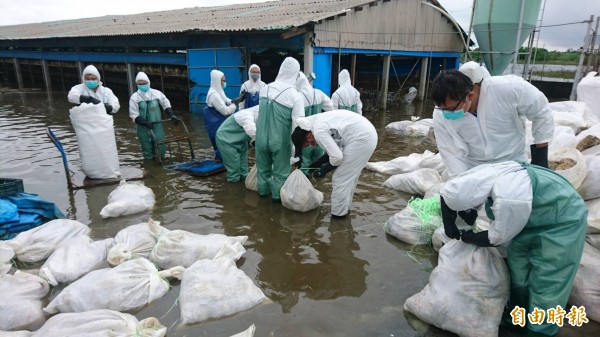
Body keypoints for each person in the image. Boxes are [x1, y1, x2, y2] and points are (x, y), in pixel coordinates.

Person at [439, 161, 587, 337]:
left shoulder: (509, 197)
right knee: (518, 268)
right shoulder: (479, 177)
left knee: (548, 280)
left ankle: (539, 331)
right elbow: (447, 195)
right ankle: (518, 319)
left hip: (562, 221)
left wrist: (467, 237)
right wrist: (449, 223)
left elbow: (496, 237)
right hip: (528, 221)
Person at [431, 62, 554, 179]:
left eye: (452, 109)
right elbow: (450, 153)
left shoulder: (509, 89)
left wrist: (540, 157)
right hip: (475, 168)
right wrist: (461, 182)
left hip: (513, 163)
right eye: (443, 109)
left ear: (469, 96)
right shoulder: (440, 114)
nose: (447, 114)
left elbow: (541, 111)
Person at [291, 110, 378, 217]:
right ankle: (345, 209)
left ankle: (338, 216)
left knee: (340, 177)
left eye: (307, 144)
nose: (311, 145)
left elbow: (337, 158)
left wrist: (325, 169)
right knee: (349, 178)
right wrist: (316, 164)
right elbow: (334, 151)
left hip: (362, 139)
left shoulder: (318, 131)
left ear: (308, 137)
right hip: (366, 135)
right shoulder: (317, 123)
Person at [255, 57, 304, 201]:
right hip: (280, 141)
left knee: (262, 171)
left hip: (260, 138)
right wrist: (297, 149)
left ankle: (262, 201)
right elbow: (298, 125)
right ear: (296, 73)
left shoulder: (264, 89)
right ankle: (276, 205)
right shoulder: (295, 95)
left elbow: (259, 115)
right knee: (280, 174)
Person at [128, 72, 178, 160]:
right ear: (137, 84)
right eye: (140, 84)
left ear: (148, 82)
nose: (142, 85)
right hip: (143, 129)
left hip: (157, 126)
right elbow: (134, 115)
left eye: (144, 83)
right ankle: (150, 169)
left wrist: (171, 115)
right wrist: (145, 123)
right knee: (147, 152)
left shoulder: (156, 93)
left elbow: (165, 104)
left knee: (161, 148)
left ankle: (160, 169)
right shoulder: (134, 97)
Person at [295, 72, 334, 173]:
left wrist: (297, 149)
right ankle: (317, 182)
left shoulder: (298, 96)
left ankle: (304, 183)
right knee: (318, 162)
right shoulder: (319, 93)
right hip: (319, 136)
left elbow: (295, 122)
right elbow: (330, 108)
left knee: (304, 163)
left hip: (306, 139)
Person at [204, 69, 245, 161]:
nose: (225, 82)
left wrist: (236, 100)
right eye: (223, 80)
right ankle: (220, 160)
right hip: (215, 122)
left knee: (223, 140)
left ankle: (222, 158)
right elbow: (225, 111)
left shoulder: (218, 90)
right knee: (219, 141)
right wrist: (236, 104)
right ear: (217, 80)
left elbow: (226, 100)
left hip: (218, 121)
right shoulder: (214, 94)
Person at [215, 105, 259, 183]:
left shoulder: (258, 118)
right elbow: (252, 131)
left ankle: (244, 187)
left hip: (240, 141)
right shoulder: (246, 115)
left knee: (244, 170)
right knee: (234, 171)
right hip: (226, 140)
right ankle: (233, 190)